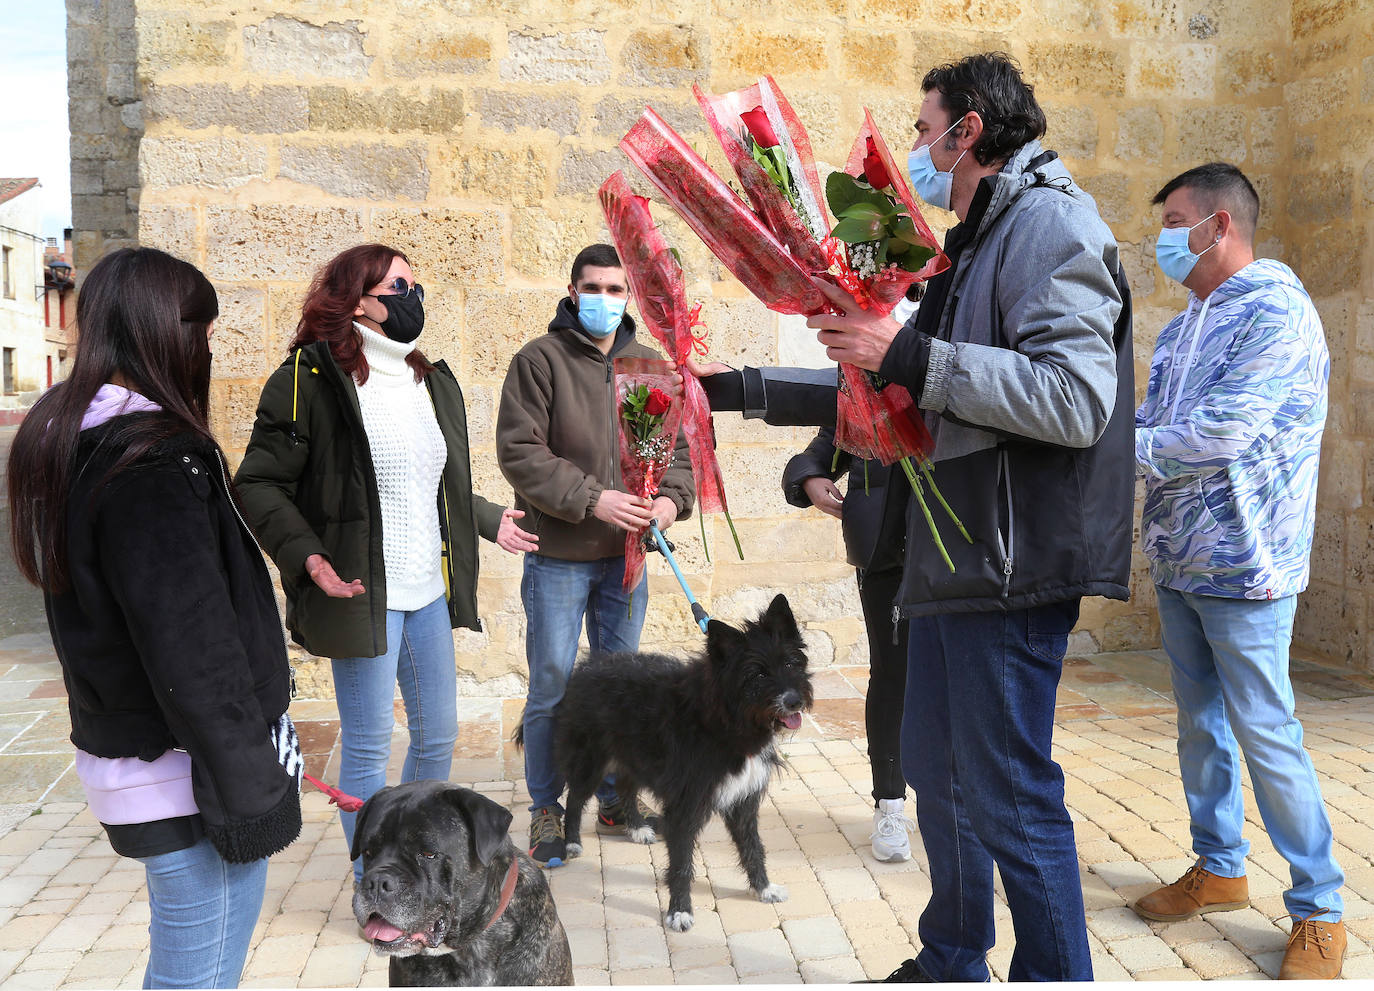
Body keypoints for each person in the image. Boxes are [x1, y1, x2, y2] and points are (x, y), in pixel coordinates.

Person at [696, 52, 1135, 981]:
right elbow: (888, 371)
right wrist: (732, 387)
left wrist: (913, 355)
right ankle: (952, 956)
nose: (915, 146)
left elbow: (1074, 398)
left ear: (967, 127)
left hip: (1007, 558)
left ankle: (1056, 972)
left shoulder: (1052, 224)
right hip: (946, 556)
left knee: (1010, 792)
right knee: (939, 782)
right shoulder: (971, 240)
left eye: (923, 124)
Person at [6, 247, 302, 988]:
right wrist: (251, 784)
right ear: (162, 334)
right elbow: (192, 648)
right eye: (201, 331)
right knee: (195, 972)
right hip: (187, 770)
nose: (207, 348)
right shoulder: (146, 464)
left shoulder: (80, 442)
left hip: (152, 758)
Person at [235, 244, 536, 882]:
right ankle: (376, 885)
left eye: (414, 286)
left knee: (437, 737)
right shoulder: (308, 379)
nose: (413, 299)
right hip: (360, 592)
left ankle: (420, 870)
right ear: (358, 300)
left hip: (427, 589)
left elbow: (435, 484)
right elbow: (258, 484)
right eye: (399, 287)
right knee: (369, 746)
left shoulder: (430, 378)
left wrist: (487, 520)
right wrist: (308, 557)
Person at [1129, 163, 1343, 979]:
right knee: (1200, 726)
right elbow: (1154, 419)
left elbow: (1221, 433)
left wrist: (1116, 449)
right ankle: (1219, 867)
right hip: (1181, 558)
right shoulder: (1185, 324)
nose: (1164, 237)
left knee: (1267, 732)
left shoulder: (1277, 311)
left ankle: (1320, 906)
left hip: (1249, 565)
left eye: (1175, 219)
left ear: (1220, 225)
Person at [496, 243, 695, 867]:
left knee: (621, 685)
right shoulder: (539, 362)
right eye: (593, 288)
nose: (604, 300)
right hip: (560, 553)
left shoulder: (652, 367)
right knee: (553, 683)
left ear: (628, 296)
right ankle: (546, 808)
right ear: (572, 289)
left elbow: (680, 457)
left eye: (615, 290)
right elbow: (521, 453)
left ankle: (614, 795)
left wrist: (667, 506)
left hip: (628, 560)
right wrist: (593, 500)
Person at [783, 430, 914, 862]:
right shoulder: (863, 378)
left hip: (962, 542)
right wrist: (810, 476)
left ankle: (955, 806)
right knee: (892, 675)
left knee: (957, 677)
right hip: (886, 547)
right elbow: (828, 438)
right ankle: (890, 804)